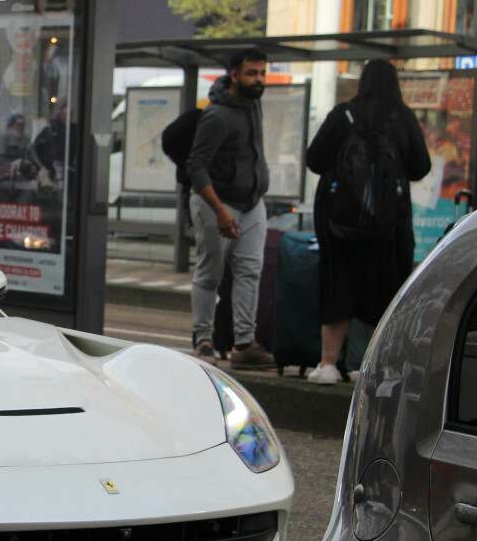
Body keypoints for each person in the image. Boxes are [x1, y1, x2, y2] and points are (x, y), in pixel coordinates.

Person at [304, 58, 431, 384]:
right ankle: (378, 368)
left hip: (339, 223)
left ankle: (329, 365)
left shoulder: (343, 115)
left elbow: (315, 159)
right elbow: (420, 167)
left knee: (338, 287)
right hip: (389, 226)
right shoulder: (403, 118)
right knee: (385, 290)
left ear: (363, 81)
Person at [185, 48, 275, 369]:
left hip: (252, 203)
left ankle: (244, 343)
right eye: (252, 73)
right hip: (216, 202)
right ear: (234, 75)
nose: (259, 80)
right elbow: (196, 167)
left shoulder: (254, 106)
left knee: (250, 271)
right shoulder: (217, 114)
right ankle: (204, 339)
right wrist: (220, 210)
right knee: (210, 272)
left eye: (262, 73)